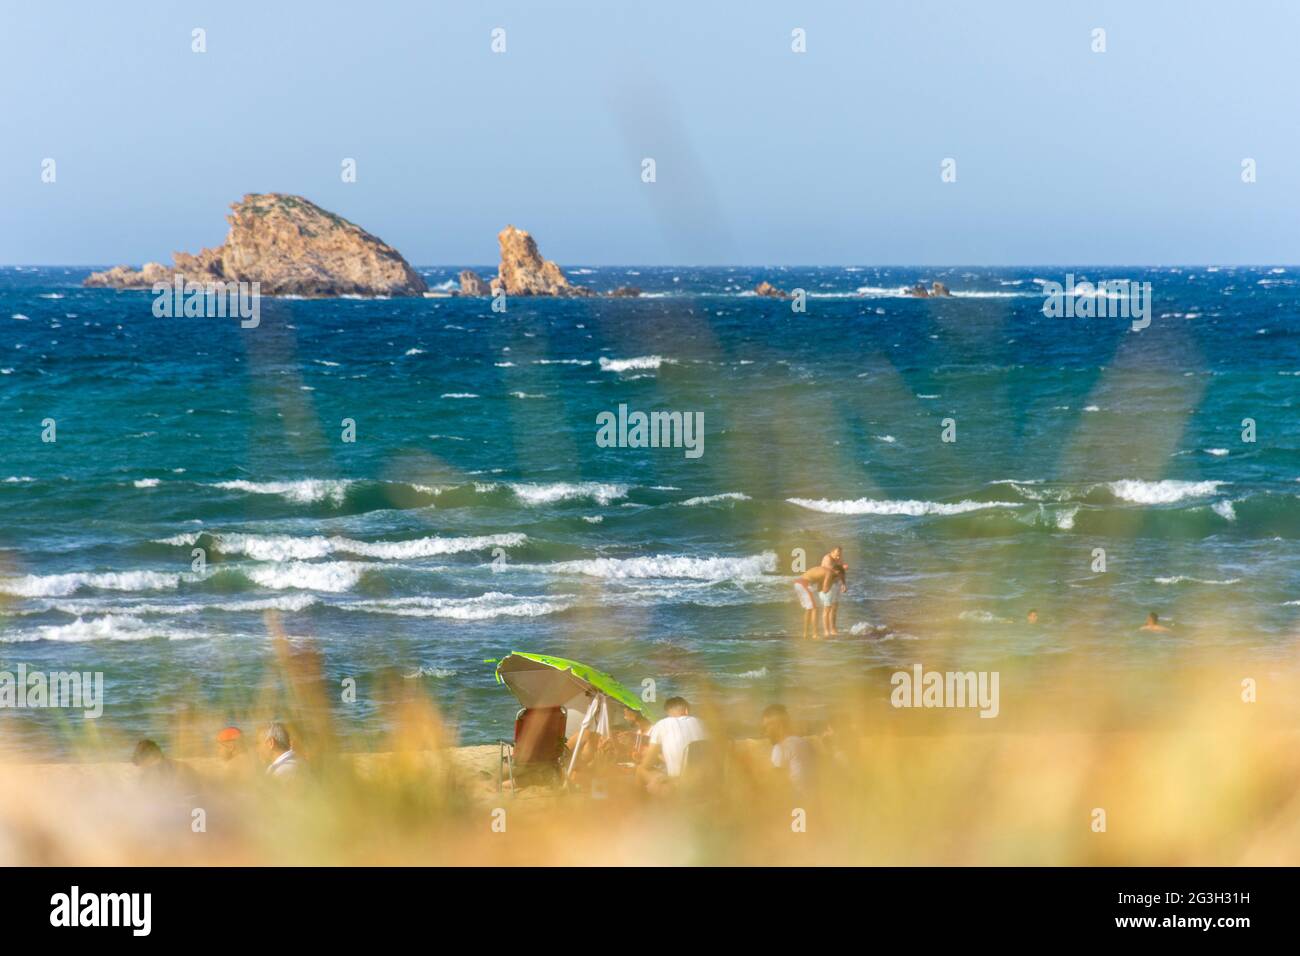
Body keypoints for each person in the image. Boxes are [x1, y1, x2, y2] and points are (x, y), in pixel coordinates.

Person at [637, 697, 707, 796]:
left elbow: (647, 763)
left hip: (678, 784)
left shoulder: (662, 724)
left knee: (640, 769)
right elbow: (688, 757)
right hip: (705, 782)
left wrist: (649, 754)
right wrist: (660, 756)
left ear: (668, 713)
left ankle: (641, 806)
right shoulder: (703, 723)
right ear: (686, 710)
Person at [762, 704, 816, 794]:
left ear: (777, 725)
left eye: (766, 727)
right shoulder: (804, 743)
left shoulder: (781, 748)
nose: (765, 733)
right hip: (814, 798)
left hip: (798, 801)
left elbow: (777, 786)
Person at [794, 563, 843, 639]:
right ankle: (815, 635)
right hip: (804, 584)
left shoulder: (825, 571)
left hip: (799, 583)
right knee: (815, 609)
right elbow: (825, 589)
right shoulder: (829, 572)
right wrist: (832, 583)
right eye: (839, 574)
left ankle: (805, 634)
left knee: (809, 609)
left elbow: (819, 588)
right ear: (837, 571)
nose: (837, 577)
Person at [819, 546, 848, 636]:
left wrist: (843, 584)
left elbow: (841, 572)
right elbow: (831, 571)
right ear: (831, 552)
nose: (838, 557)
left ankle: (833, 629)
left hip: (835, 585)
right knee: (827, 609)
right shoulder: (827, 559)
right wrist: (841, 567)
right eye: (837, 555)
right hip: (826, 586)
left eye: (839, 555)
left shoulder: (838, 559)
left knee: (834, 608)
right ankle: (826, 631)